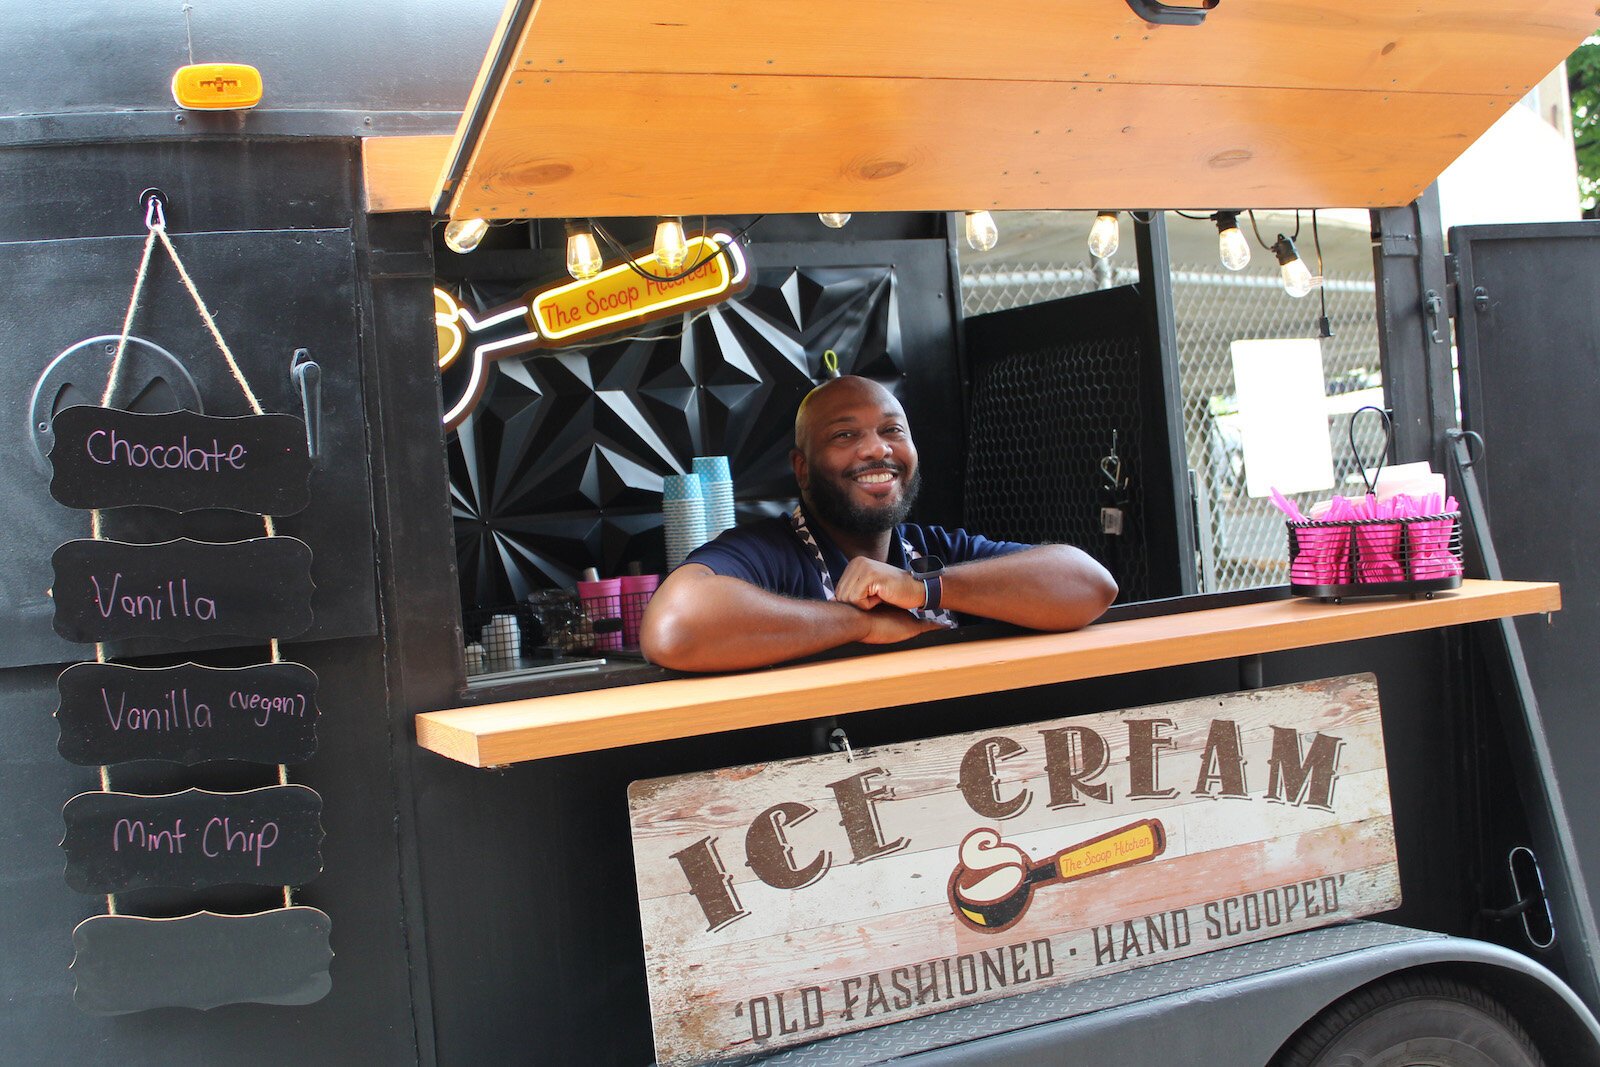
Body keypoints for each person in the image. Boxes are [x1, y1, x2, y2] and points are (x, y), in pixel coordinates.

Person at [640, 376, 1117, 672]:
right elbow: (675, 628)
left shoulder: (937, 552)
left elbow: (1090, 585)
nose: (876, 449)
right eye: (846, 435)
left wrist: (920, 589)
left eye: (892, 430)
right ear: (802, 467)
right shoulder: (768, 552)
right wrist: (861, 624)